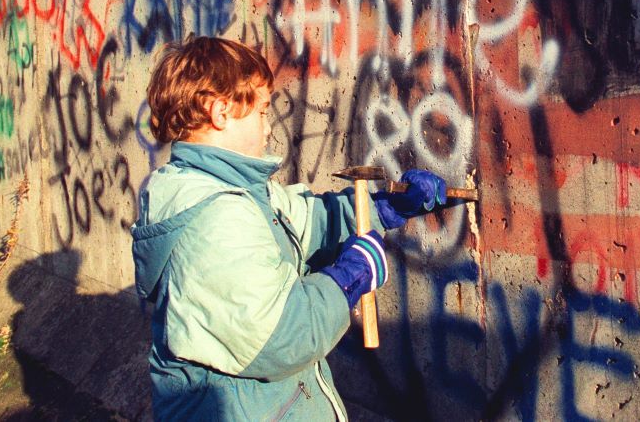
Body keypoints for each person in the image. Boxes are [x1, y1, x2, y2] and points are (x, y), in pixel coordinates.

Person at [131, 36, 447, 420]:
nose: (268, 128)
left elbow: (309, 222)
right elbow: (281, 336)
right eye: (262, 111)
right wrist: (348, 278)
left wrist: (384, 208)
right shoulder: (215, 217)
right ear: (220, 112)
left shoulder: (230, 189)